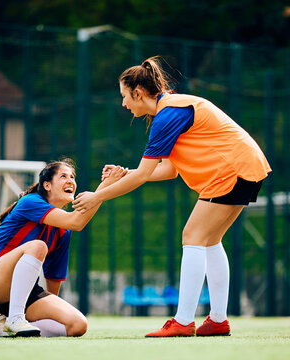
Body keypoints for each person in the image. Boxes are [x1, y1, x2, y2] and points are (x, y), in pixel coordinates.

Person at [73, 56, 271, 337]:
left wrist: (97, 197)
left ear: (138, 93)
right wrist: (127, 172)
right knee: (210, 240)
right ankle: (217, 320)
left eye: (124, 96)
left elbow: (143, 176)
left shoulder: (168, 115)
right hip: (246, 167)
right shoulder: (169, 110)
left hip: (232, 170)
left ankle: (183, 322)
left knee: (192, 236)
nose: (123, 103)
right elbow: (167, 170)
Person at [0, 158, 126, 338]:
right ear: (47, 185)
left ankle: (3, 327)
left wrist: (50, 309)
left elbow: (53, 280)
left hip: (24, 294)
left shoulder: (63, 231)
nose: (70, 181)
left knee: (78, 325)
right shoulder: (30, 202)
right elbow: (76, 221)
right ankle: (15, 319)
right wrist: (105, 186)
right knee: (38, 246)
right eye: (63, 176)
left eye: (72, 177)